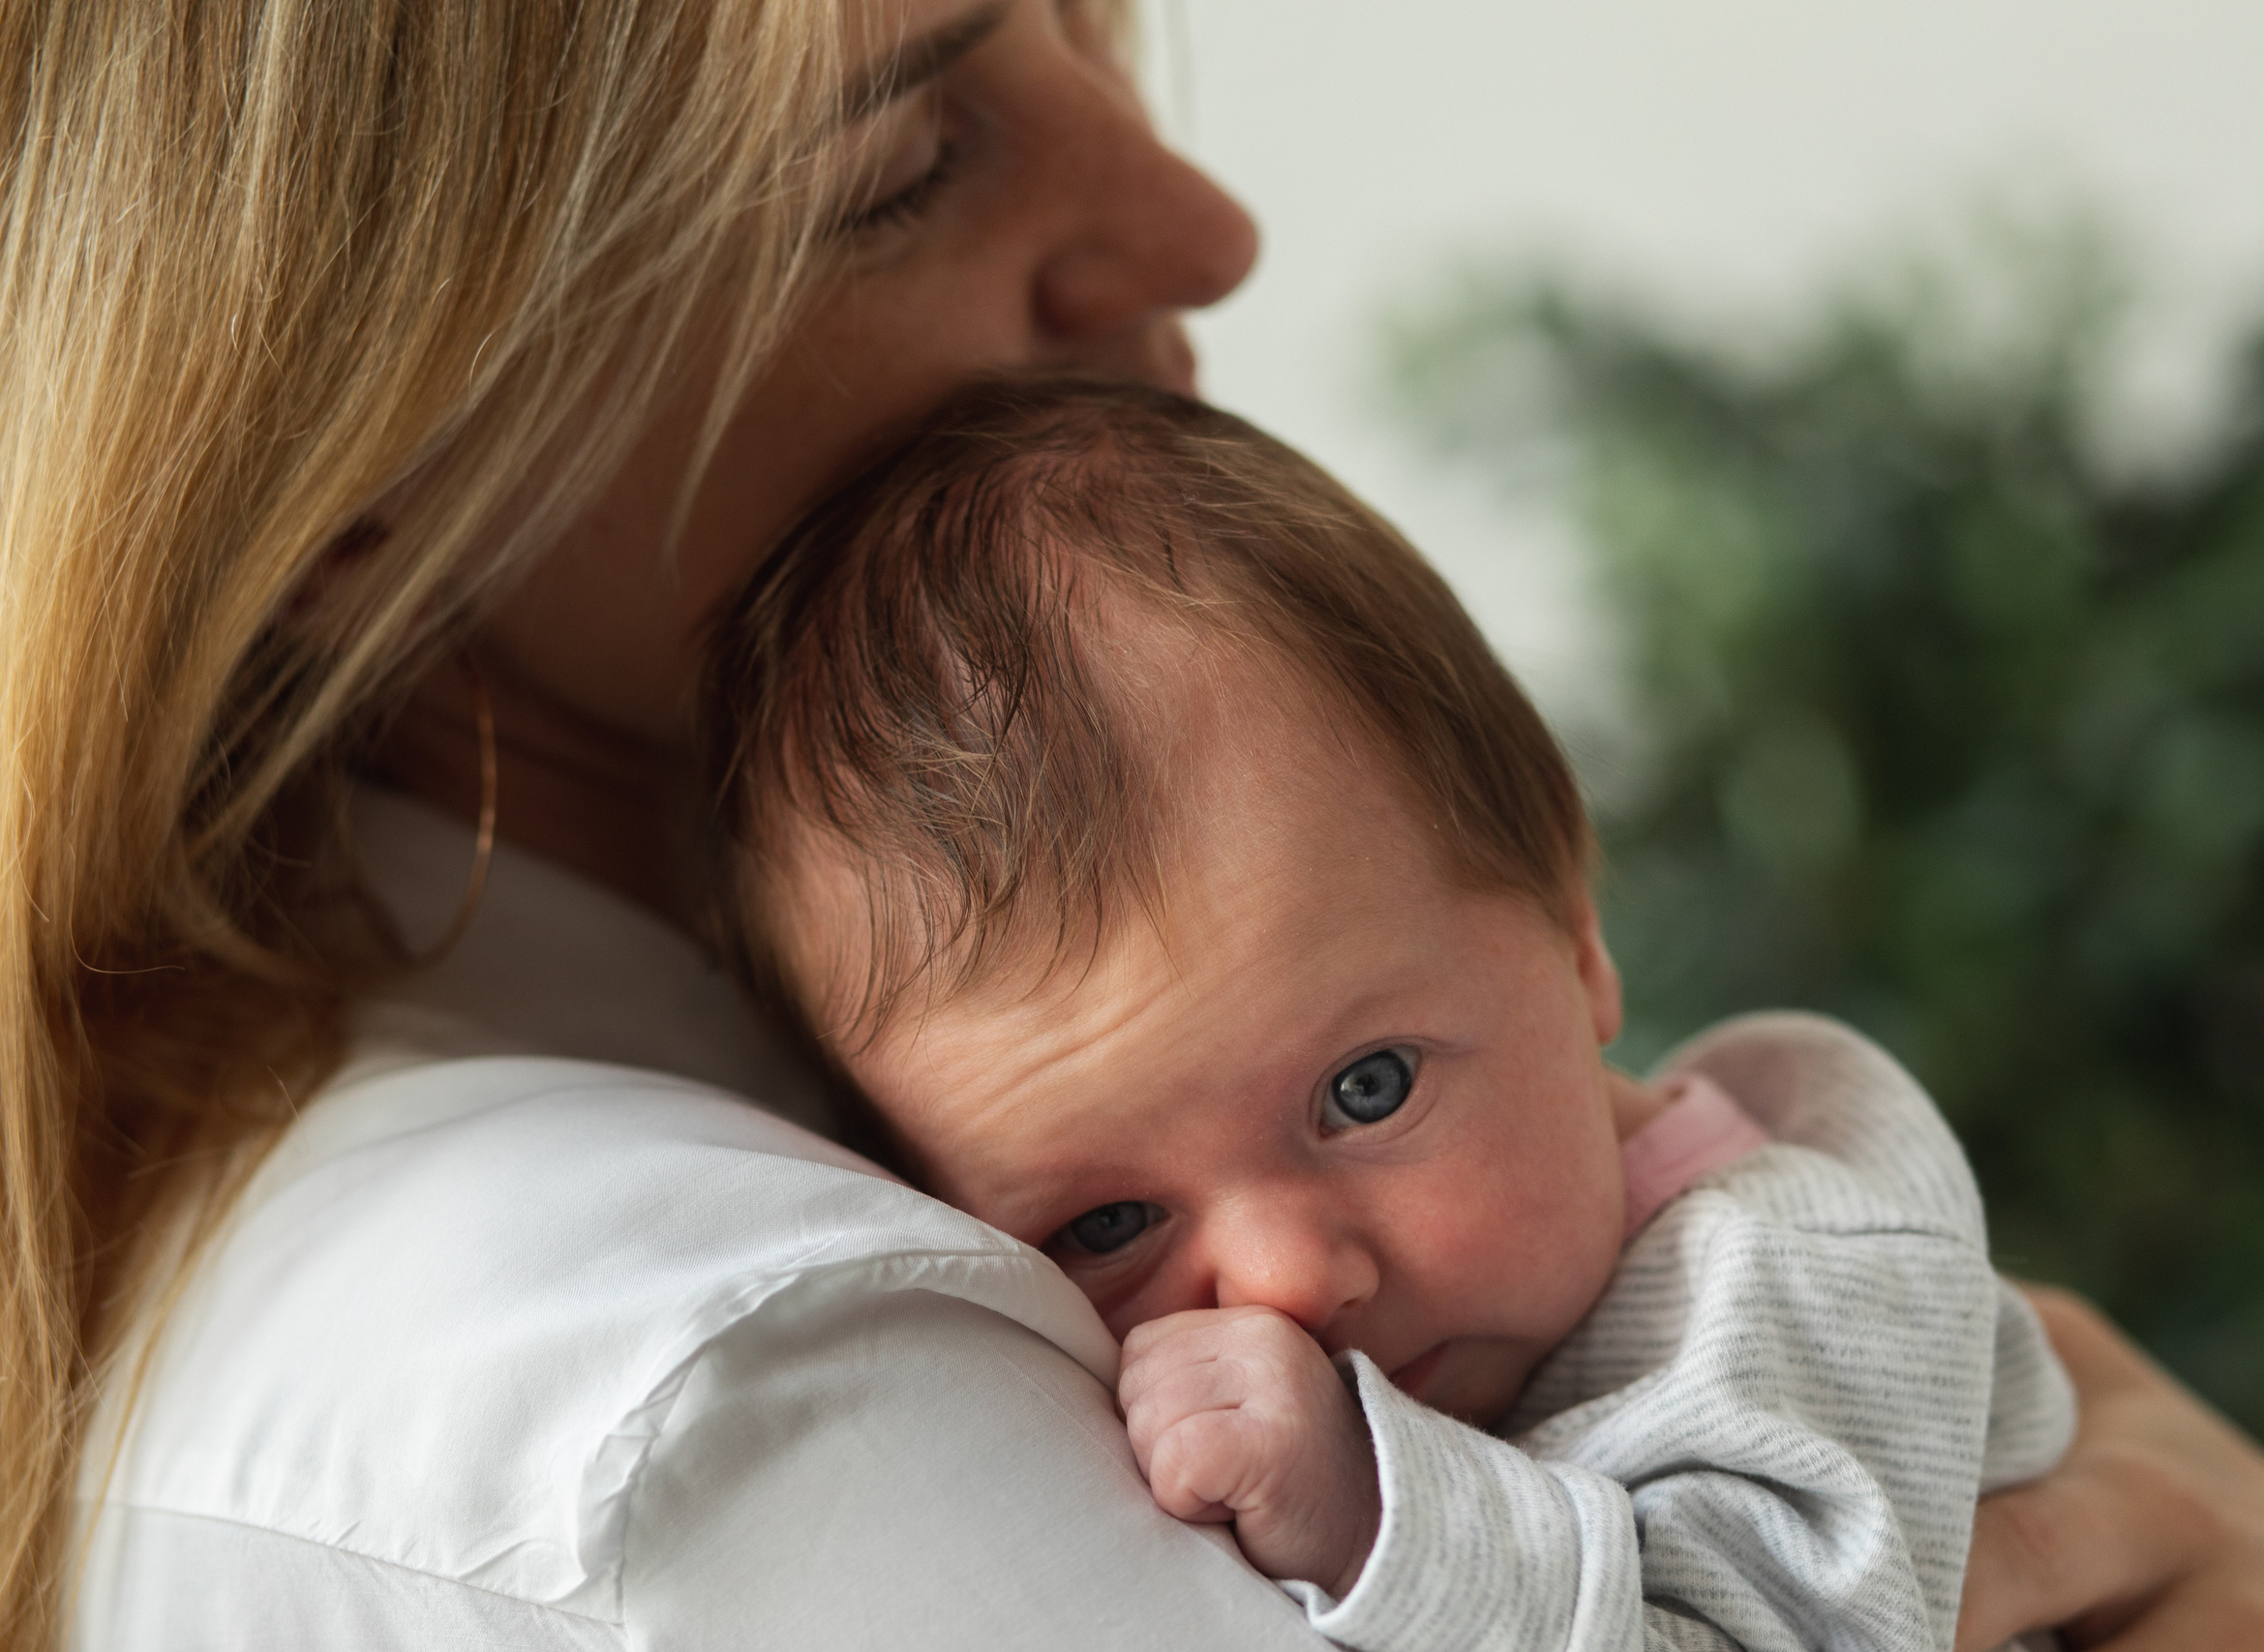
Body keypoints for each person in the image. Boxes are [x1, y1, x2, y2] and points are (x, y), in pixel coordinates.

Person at [1, 1, 2264, 1647]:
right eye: (894, 164)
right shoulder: (720, 1372)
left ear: (1577, 938)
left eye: (1087, 8)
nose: (1197, 232)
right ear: (334, 468)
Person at [700, 375, 2082, 1650]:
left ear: (1571, 921)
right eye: (1106, 1226)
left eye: (1368, 1089)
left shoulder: (1789, 1282)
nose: (1288, 1284)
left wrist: (1377, 1519)